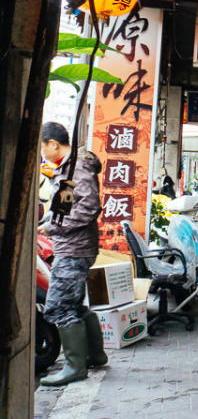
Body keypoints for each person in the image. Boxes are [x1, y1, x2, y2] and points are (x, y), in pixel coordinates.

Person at [38, 122, 108, 386]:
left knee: (58, 305)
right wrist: (50, 224)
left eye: (43, 147)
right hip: (72, 245)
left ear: (54, 144)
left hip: (74, 248)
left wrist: (56, 227)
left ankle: (75, 367)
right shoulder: (68, 168)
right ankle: (95, 355)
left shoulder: (76, 167)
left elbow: (89, 207)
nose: (42, 153)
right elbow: (67, 206)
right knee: (74, 305)